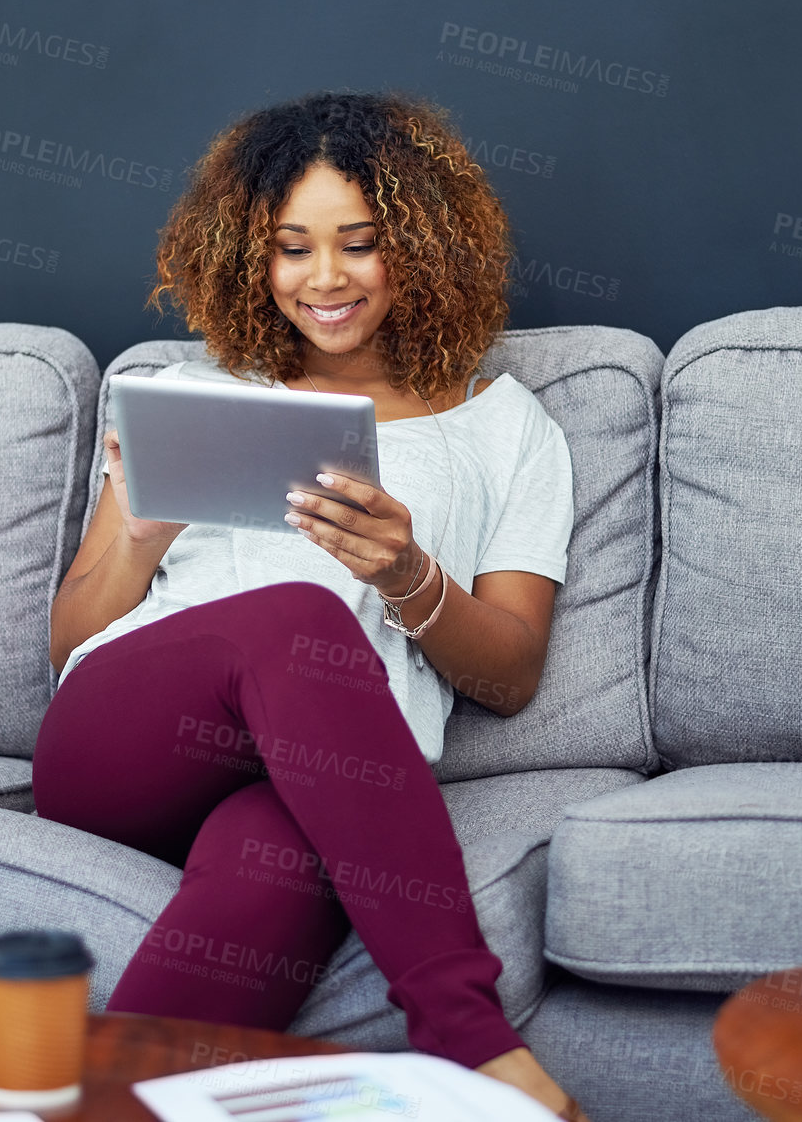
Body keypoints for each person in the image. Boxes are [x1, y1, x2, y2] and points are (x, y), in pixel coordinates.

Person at [35, 90, 587, 1121]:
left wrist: (405, 572)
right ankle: (473, 1041)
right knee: (297, 613)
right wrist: (144, 530)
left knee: (286, 856)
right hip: (125, 748)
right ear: (252, 257)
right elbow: (71, 636)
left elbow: (509, 673)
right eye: (291, 248)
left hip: (326, 783)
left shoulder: (510, 428)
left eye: (359, 243)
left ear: (422, 244)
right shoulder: (196, 387)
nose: (323, 279)